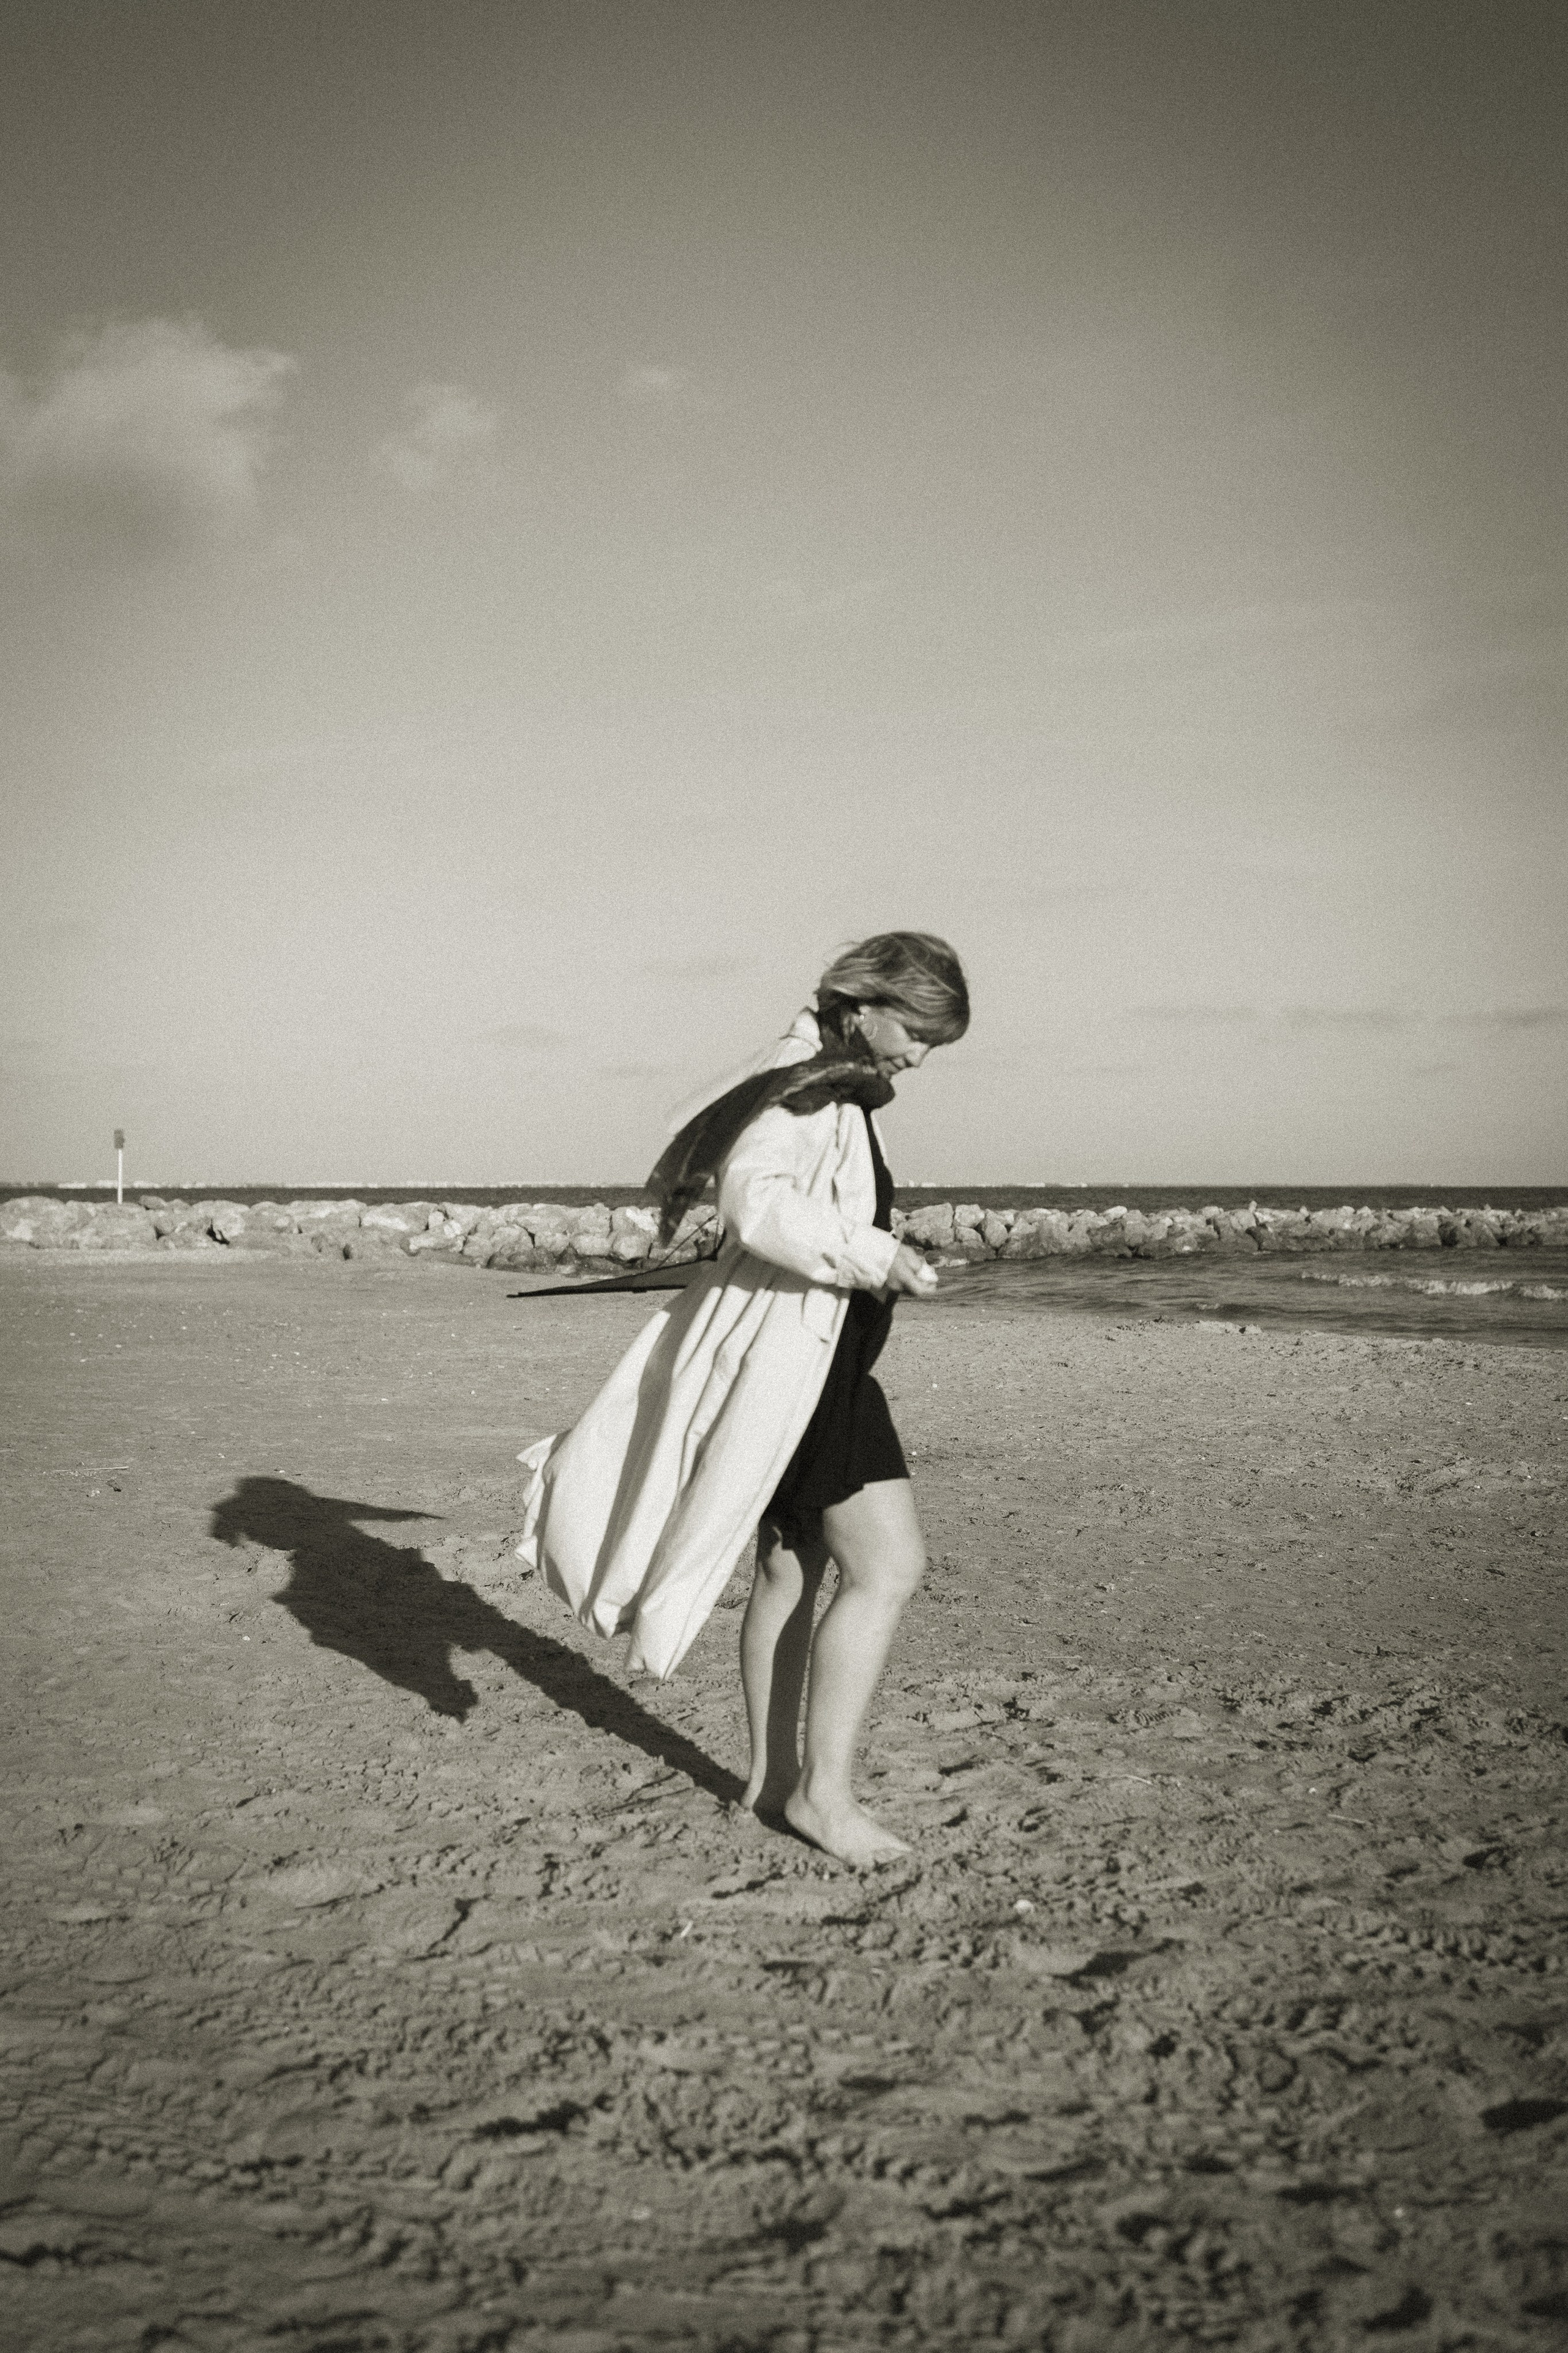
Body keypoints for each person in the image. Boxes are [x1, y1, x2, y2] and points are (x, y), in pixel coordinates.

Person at [514, 931, 970, 1867]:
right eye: (918, 1033)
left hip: (820, 1360)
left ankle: (769, 1782)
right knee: (889, 1567)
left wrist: (885, 1260)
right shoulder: (808, 1080)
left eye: (935, 1043)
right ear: (864, 1005)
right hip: (806, 1369)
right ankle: (823, 1796)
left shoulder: (832, 1076)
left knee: (791, 1569)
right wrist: (876, 1253)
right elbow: (751, 1196)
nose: (921, 1058)